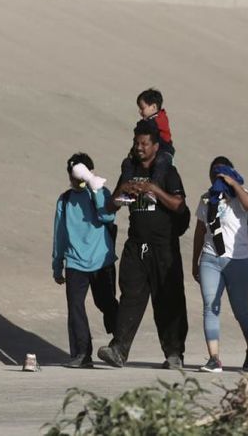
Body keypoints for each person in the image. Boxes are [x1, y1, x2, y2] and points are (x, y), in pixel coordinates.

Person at [97, 121, 189, 369]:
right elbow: (112, 205)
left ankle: (174, 354)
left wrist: (154, 190)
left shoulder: (168, 173)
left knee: (168, 300)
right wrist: (123, 190)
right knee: (130, 297)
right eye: (136, 143)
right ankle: (119, 349)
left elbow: (178, 205)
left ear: (156, 146)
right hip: (136, 245)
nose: (139, 148)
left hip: (164, 248)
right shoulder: (129, 170)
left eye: (144, 143)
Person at [191, 156, 248, 373]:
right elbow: (200, 232)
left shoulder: (240, 195)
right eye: (213, 174)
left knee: (241, 311)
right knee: (210, 307)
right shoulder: (206, 199)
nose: (216, 177)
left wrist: (233, 184)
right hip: (211, 259)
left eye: (221, 173)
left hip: (238, 261)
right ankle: (214, 358)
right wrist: (195, 261)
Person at [52, 153, 119, 368]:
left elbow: (107, 216)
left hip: (101, 260)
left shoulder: (100, 192)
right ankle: (82, 353)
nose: (76, 181)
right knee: (75, 306)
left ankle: (120, 344)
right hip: (75, 262)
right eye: (73, 177)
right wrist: (57, 264)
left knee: (106, 303)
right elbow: (59, 233)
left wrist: (94, 188)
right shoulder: (65, 200)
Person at [115, 88, 175, 204]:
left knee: (160, 164)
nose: (140, 111)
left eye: (142, 108)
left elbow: (150, 131)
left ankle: (152, 191)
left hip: (164, 151)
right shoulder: (147, 121)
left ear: (153, 107)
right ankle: (128, 193)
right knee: (128, 163)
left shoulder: (160, 118)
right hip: (146, 154)